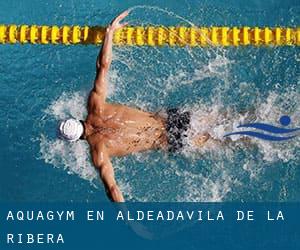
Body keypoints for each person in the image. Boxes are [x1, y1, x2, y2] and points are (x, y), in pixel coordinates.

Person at [58, 11, 210, 202]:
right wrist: (109, 33)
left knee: (228, 141)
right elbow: (103, 66)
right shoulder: (95, 105)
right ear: (76, 119)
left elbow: (112, 189)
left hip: (171, 140)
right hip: (172, 118)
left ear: (76, 140)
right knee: (226, 118)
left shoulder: (99, 152)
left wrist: (130, 222)